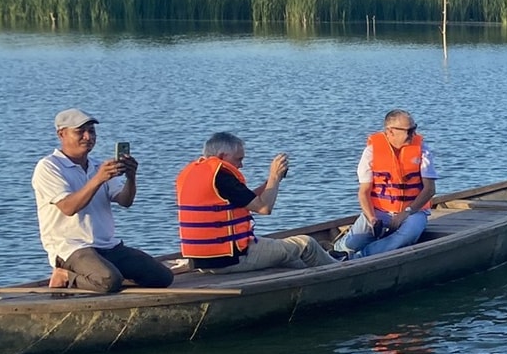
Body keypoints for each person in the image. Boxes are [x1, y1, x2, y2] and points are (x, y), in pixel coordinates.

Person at [32, 108, 173, 294]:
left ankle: (106, 273)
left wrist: (131, 178)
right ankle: (66, 275)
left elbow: (125, 201)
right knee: (108, 282)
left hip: (108, 246)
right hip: (72, 247)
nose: (87, 137)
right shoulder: (49, 167)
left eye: (91, 131)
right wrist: (98, 179)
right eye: (80, 132)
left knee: (162, 277)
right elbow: (68, 207)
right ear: (61, 134)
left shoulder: (98, 165)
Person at [175, 133, 336, 273]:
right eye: (239, 159)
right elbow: (264, 208)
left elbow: (247, 200)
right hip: (230, 260)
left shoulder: (194, 173)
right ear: (223, 156)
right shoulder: (222, 176)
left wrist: (272, 182)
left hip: (202, 260)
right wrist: (273, 176)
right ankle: (340, 271)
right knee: (306, 244)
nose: (241, 165)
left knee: (293, 260)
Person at [338, 110, 439, 257]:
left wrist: (406, 213)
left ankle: (362, 257)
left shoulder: (423, 151)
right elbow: (364, 192)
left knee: (406, 236)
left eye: (414, 128)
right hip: (379, 211)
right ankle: (337, 252)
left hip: (413, 211)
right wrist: (372, 218)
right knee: (353, 242)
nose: (413, 134)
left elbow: (429, 189)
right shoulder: (371, 152)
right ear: (390, 132)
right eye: (409, 130)